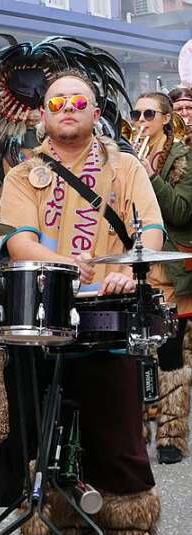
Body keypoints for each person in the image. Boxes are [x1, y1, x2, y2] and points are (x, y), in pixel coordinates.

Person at [0, 70, 166, 535]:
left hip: (109, 315)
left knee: (116, 442)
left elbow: (150, 232)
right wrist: (64, 264)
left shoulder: (125, 167)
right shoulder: (23, 175)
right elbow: (19, 243)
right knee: (55, 442)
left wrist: (124, 267)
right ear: (42, 115)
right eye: (56, 102)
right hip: (47, 316)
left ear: (96, 112)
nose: (67, 108)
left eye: (78, 101)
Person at [130, 92, 192, 465]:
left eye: (148, 113)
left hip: (170, 271)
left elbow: (182, 212)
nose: (140, 120)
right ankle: (134, 434)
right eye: (136, 113)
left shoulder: (184, 159)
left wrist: (151, 175)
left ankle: (170, 435)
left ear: (167, 119)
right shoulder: (125, 159)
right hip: (134, 266)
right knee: (135, 354)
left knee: (169, 357)